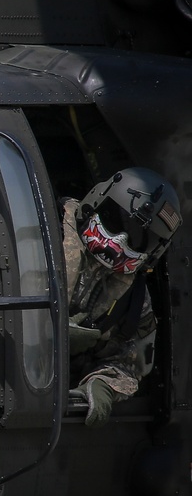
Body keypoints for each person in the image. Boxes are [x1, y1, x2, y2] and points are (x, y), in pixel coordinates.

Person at [65, 167, 182, 426]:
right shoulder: (37, 237)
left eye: (140, 239)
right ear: (97, 201)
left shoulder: (135, 300)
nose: (120, 240)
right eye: (116, 220)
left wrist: (103, 385)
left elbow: (128, 364)